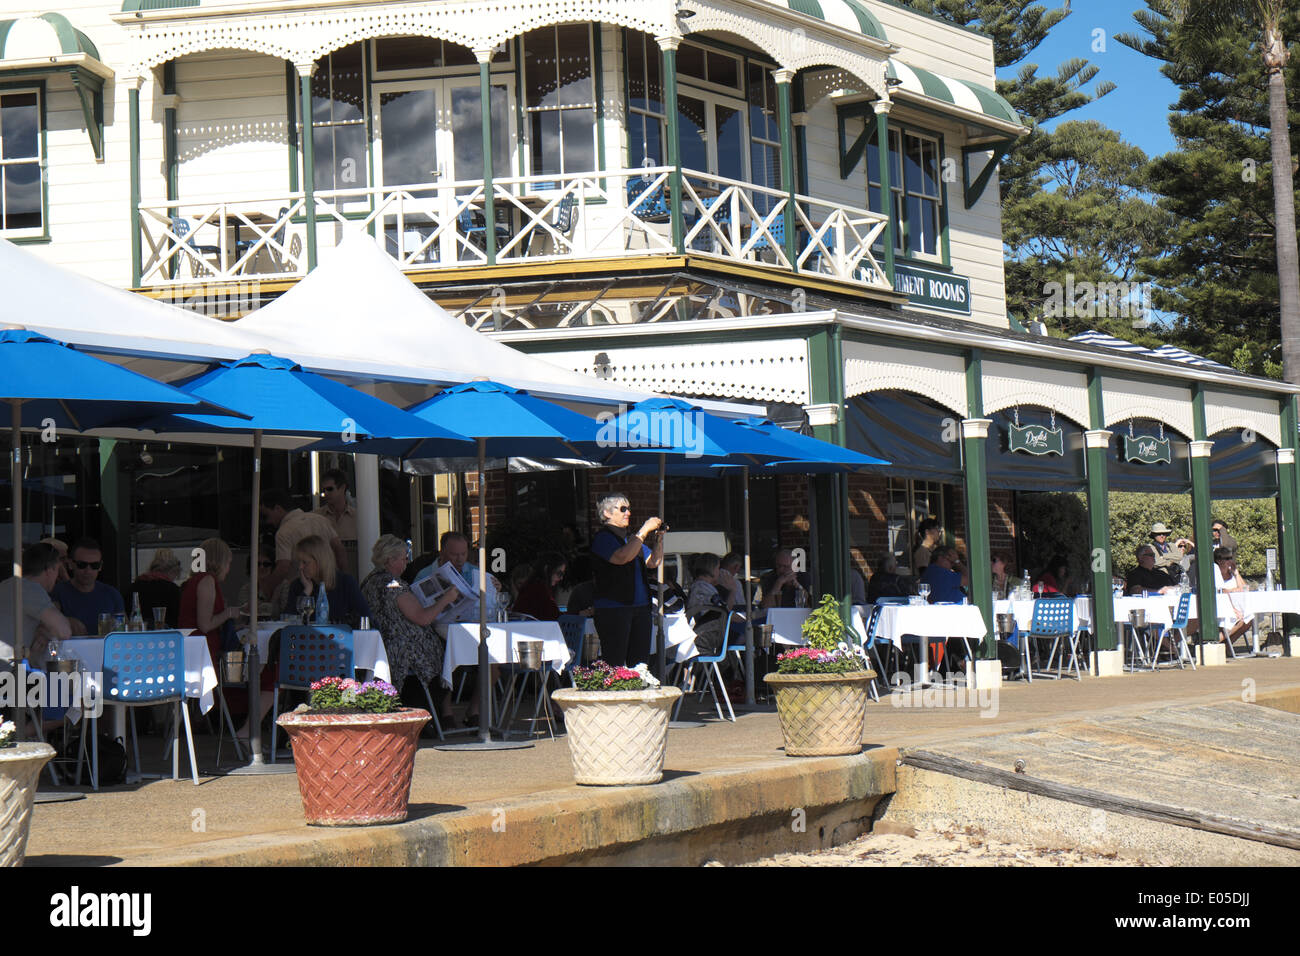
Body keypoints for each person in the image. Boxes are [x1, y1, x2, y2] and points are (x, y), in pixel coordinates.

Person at [361, 534, 459, 726]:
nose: (407, 562)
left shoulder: (369, 581)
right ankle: (437, 716)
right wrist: (445, 600)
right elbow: (422, 618)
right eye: (404, 558)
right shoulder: (394, 585)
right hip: (406, 651)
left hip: (383, 645)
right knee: (451, 655)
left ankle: (439, 716)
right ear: (390, 560)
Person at [590, 494, 663, 667]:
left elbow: (653, 562)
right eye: (623, 509)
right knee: (615, 662)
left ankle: (636, 693)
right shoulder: (603, 537)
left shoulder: (631, 539)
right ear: (607, 513)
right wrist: (644, 530)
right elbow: (621, 557)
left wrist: (659, 539)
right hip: (614, 607)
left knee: (639, 664)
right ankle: (615, 693)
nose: (628, 512)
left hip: (639, 607)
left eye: (629, 508)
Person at [259, 488, 347, 596]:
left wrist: (267, 589)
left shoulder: (284, 532)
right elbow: (339, 549)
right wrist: (341, 577)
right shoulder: (320, 520)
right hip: (329, 586)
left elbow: (283, 567)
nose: (267, 521)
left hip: (300, 589)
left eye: (266, 516)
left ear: (277, 508)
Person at [178, 537, 246, 674]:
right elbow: (205, 625)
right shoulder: (206, 580)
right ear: (219, 562)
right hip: (201, 652)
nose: (228, 569)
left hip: (194, 648)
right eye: (228, 563)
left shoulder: (195, 580)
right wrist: (229, 613)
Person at [0, 542, 73, 665]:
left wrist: (42, 630)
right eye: (58, 570)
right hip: (8, 674)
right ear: (50, 570)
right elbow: (64, 631)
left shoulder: (6, 585)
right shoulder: (30, 589)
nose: (58, 577)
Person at [284, 535, 370, 630]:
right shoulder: (298, 585)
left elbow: (366, 618)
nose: (300, 567)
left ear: (320, 561)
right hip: (306, 640)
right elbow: (288, 621)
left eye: (305, 562)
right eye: (299, 562)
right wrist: (306, 592)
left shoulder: (345, 583)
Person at [52, 538, 124, 635]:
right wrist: (65, 620)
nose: (88, 570)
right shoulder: (57, 592)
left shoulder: (112, 594)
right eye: (82, 565)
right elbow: (47, 624)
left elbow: (124, 631)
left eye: (94, 565)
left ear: (101, 566)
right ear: (71, 564)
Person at [684, 553, 741, 655]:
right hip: (708, 638)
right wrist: (733, 590)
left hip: (706, 636)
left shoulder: (700, 586)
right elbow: (726, 613)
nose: (719, 572)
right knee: (747, 633)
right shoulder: (703, 588)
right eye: (718, 568)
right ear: (712, 569)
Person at [314, 468, 358, 573]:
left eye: (329, 489)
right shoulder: (316, 517)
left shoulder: (359, 518)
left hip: (353, 578)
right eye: (323, 490)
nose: (326, 493)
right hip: (324, 579)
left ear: (342, 488)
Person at [129, 548, 182, 628]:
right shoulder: (173, 590)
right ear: (172, 571)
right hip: (167, 637)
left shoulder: (134, 587)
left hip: (139, 636)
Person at [1213, 546, 1251, 648]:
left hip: (1236, 605)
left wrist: (1236, 573)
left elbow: (1245, 588)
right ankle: (1216, 641)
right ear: (1219, 561)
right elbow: (1220, 591)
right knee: (1242, 619)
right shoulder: (1215, 573)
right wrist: (1232, 590)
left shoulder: (1231, 574)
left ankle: (1228, 646)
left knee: (1250, 618)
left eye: (1231, 558)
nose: (1230, 561)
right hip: (1223, 607)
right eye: (1227, 559)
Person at [512, 552, 566, 621]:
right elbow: (555, 616)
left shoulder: (532, 585)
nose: (561, 578)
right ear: (546, 569)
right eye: (559, 573)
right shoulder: (539, 589)